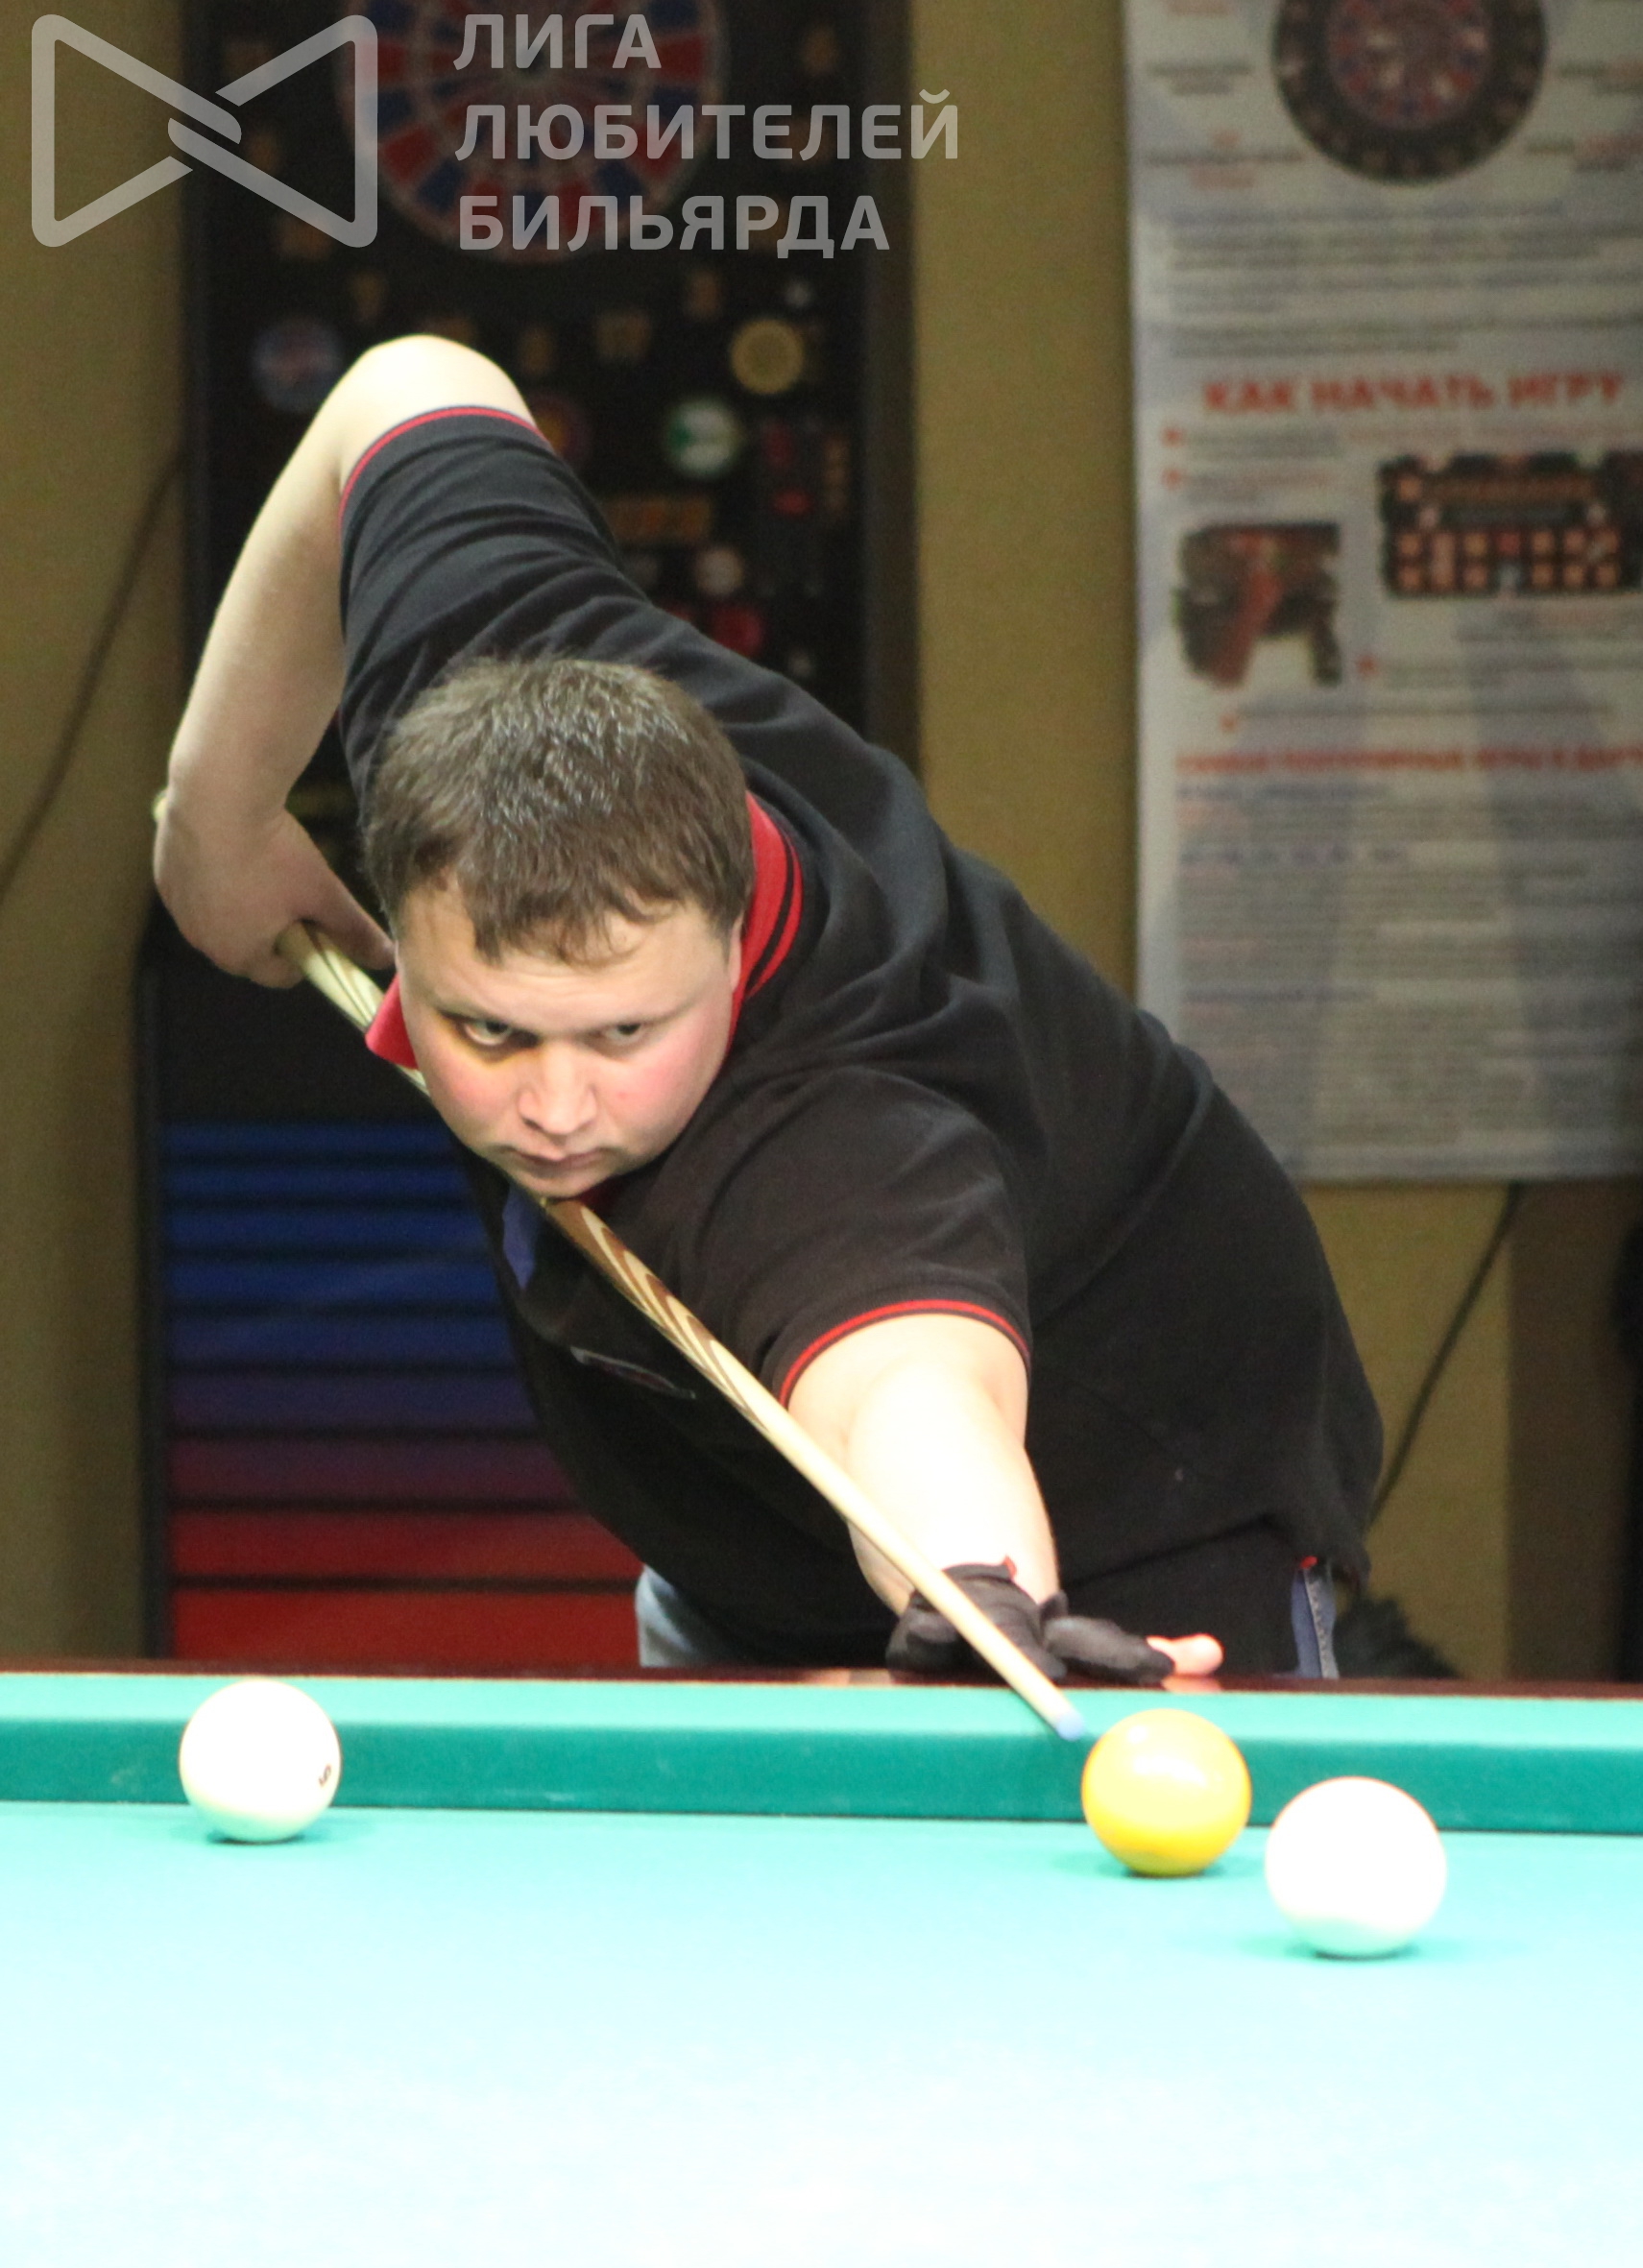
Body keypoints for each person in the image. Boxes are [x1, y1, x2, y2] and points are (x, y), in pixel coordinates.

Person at [156, 337, 1380, 1684]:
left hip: (1140, 1506)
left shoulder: (834, 1154)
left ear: (735, 947)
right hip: (743, 1540)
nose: (553, 1107)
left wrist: (984, 1602)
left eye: (623, 1034)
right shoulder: (470, 693)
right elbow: (404, 384)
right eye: (490, 1031)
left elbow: (914, 1395)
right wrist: (217, 819)